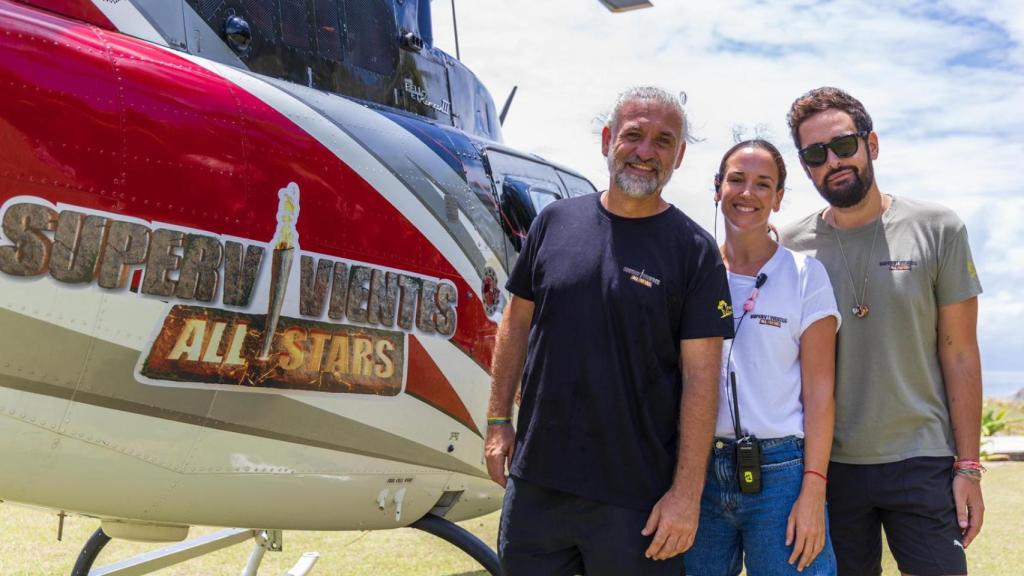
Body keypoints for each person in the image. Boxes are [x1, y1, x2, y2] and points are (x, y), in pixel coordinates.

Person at [484, 86, 733, 576]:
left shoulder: (696, 251)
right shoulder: (554, 222)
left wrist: (686, 495)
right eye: (634, 135)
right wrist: (497, 421)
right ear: (607, 140)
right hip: (537, 488)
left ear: (679, 155)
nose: (645, 152)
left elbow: (703, 381)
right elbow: (514, 324)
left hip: (636, 502)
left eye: (663, 141)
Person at [780, 86, 985, 576]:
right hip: (827, 470)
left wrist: (969, 467)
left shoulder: (938, 228)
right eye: (815, 154)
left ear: (871, 144)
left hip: (922, 460)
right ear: (806, 167)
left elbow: (960, 354)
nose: (833, 161)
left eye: (844, 145)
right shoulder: (788, 246)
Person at [683, 139, 840, 576]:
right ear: (717, 188)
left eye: (763, 183)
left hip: (781, 475)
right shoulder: (692, 270)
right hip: (699, 470)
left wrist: (813, 491)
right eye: (736, 180)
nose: (747, 193)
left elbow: (821, 394)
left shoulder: (806, 275)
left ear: (778, 197)